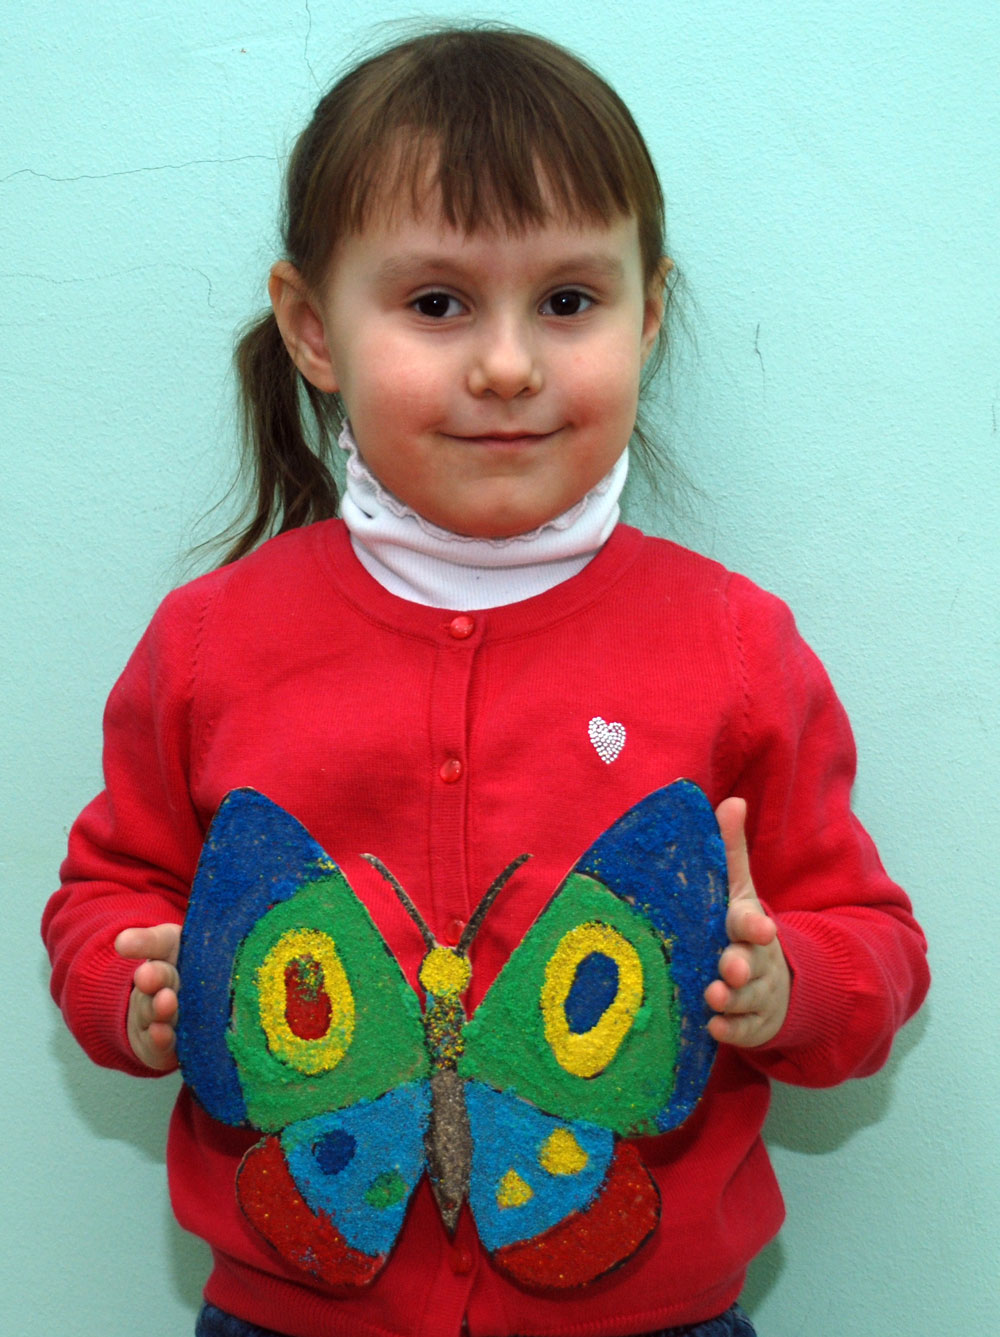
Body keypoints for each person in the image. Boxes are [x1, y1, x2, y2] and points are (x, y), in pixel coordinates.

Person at [42, 25, 929, 1337]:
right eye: (437, 303)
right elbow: (106, 892)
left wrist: (790, 980)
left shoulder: (738, 647)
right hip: (295, 1299)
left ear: (650, 315)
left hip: (645, 1305)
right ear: (313, 327)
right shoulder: (210, 643)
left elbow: (878, 944)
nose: (507, 364)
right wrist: (133, 991)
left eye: (568, 302)